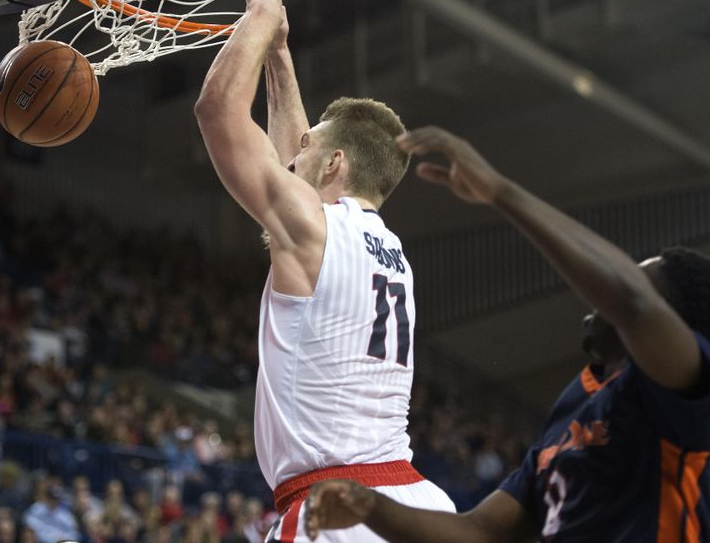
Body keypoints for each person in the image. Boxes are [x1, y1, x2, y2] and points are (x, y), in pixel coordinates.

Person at [304, 126, 710, 542]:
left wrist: (500, 192)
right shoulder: (578, 402)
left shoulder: (684, 394)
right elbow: (480, 532)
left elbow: (631, 301)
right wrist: (370, 506)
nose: (601, 296)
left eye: (639, 280)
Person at [194, 0, 455, 541]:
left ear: (334, 164)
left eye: (310, 147)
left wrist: (261, 13)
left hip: (335, 510)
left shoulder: (314, 228)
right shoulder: (389, 249)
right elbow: (300, 168)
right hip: (416, 503)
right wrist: (279, 56)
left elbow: (216, 112)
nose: (296, 151)